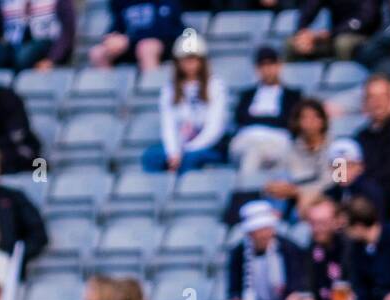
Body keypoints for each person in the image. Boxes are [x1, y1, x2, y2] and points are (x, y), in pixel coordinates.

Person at [142, 34, 226, 173]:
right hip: (180, 146)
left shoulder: (215, 86)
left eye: (193, 59)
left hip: (206, 146)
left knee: (191, 159)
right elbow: (168, 125)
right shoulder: (169, 90)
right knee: (151, 157)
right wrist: (173, 153)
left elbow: (214, 128)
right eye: (185, 59)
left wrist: (188, 150)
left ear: (202, 61)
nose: (189, 64)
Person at [221, 201, 309, 300]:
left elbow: (299, 280)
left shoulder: (289, 248)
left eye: (266, 229)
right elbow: (235, 289)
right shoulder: (238, 254)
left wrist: (295, 296)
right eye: (258, 231)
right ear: (249, 233)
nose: (263, 234)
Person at [228, 46, 303, 175]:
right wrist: (270, 118)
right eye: (262, 66)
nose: (267, 70)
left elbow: (288, 122)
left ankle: (244, 190)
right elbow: (240, 120)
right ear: (257, 69)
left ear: (279, 66)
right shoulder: (246, 95)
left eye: (271, 64)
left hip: (277, 139)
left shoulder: (292, 96)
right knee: (251, 150)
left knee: (255, 153)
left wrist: (257, 119)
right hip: (247, 138)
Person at [355, 73, 390, 217]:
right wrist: (342, 178)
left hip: (388, 203)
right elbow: (341, 161)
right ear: (365, 102)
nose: (377, 103)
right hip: (360, 197)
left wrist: (359, 175)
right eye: (372, 97)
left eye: (382, 97)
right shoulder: (359, 136)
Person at [88, 0, 184, 71]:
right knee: (97, 53)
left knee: (146, 47)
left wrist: (128, 40)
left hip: (165, 42)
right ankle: (107, 95)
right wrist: (111, 37)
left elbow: (165, 28)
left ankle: (149, 91)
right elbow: (117, 25)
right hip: (132, 44)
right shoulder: (120, 2)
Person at [0, 0, 76, 71]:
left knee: (24, 56)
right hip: (14, 45)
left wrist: (52, 59)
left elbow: (68, 31)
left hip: (46, 44)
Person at [288, 0, 378, 62]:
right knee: (291, 43)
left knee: (343, 43)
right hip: (334, 36)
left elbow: (365, 18)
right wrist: (302, 32)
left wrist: (331, 33)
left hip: (365, 36)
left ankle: (342, 79)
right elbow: (309, 9)